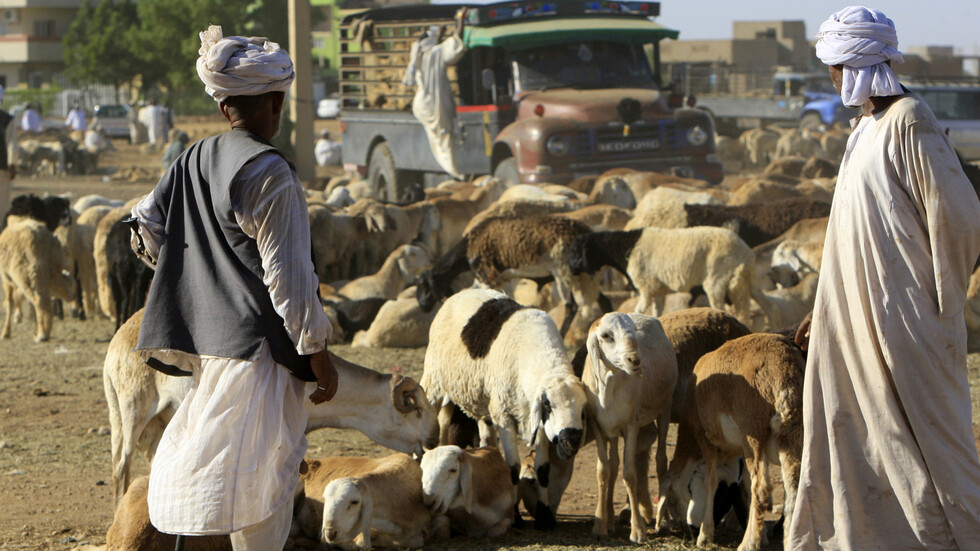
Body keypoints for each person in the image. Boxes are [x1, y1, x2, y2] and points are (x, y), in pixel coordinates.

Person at [127, 24, 338, 550]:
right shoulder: (271, 174)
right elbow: (289, 281)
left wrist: (192, 275)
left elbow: (144, 224)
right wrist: (318, 353)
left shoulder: (190, 159)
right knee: (262, 492)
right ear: (276, 102)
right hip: (260, 355)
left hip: (209, 350)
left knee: (211, 473)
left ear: (225, 107)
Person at [788, 7, 980, 550]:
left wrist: (936, 299)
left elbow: (959, 216)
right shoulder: (864, 130)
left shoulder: (909, 121)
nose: (830, 76)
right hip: (853, 317)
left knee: (928, 441)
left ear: (854, 64)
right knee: (857, 432)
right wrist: (827, 304)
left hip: (906, 322)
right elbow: (854, 232)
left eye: (833, 66)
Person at [0, 85, 15, 215]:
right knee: (2, 202)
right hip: (2, 167)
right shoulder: (7, 119)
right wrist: (12, 164)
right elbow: (12, 144)